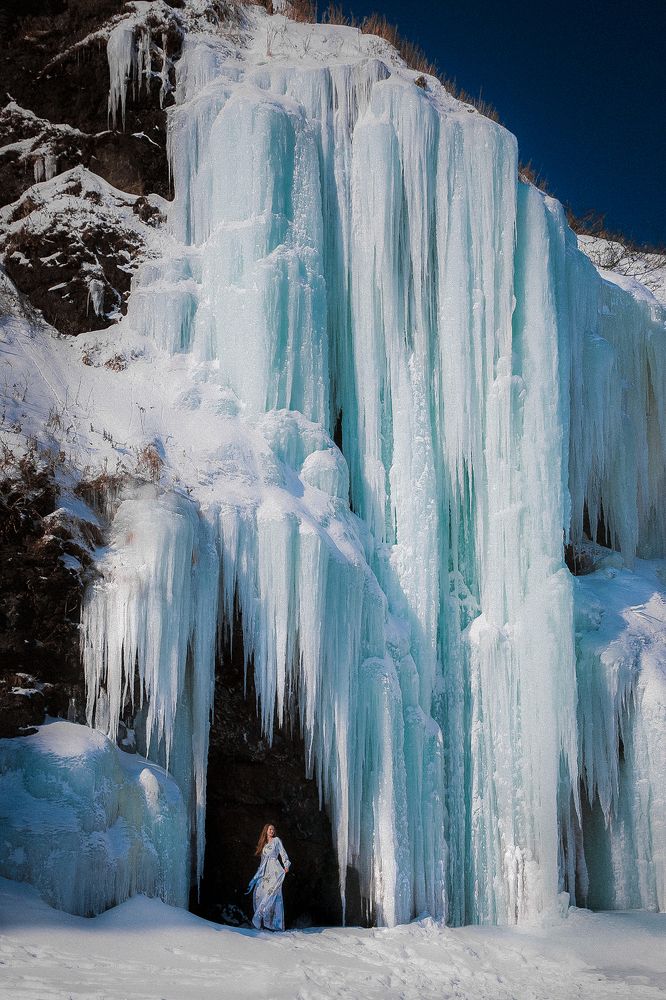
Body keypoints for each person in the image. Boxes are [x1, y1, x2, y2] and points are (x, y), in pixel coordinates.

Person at [247, 823, 291, 931]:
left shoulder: (276, 840)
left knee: (273, 894)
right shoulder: (264, 844)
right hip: (265, 871)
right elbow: (262, 860)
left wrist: (286, 864)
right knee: (259, 893)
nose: (272, 831)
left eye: (273, 829)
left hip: (274, 869)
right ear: (266, 831)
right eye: (270, 829)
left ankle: (274, 924)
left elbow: (282, 852)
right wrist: (259, 872)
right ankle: (264, 920)